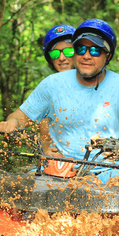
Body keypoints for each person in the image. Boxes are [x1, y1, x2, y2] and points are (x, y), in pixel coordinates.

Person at [0, 18, 119, 186]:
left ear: (107, 55)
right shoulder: (52, 84)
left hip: (106, 171)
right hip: (56, 169)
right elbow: (20, 116)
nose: (86, 55)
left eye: (95, 50)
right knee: (18, 188)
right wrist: (11, 122)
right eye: (81, 49)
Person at [39, 24, 76, 153]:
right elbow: (43, 123)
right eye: (55, 53)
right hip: (60, 158)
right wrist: (47, 149)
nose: (61, 58)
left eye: (68, 51)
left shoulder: (97, 82)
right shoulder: (49, 87)